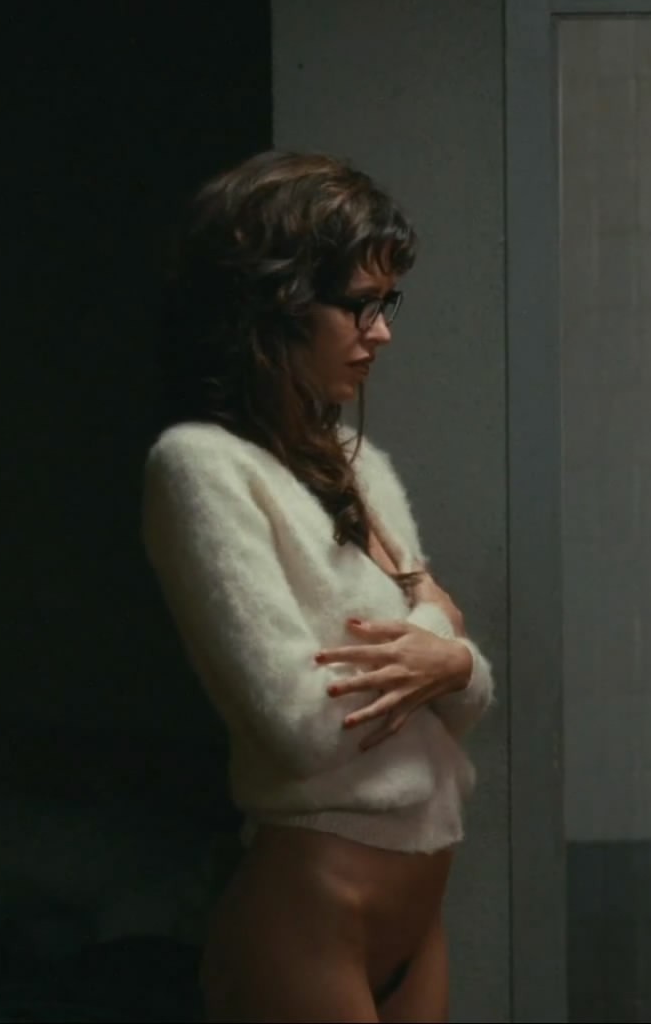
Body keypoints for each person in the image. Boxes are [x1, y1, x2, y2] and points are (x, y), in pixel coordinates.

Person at [140, 150, 493, 1023]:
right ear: (276, 305)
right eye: (360, 304)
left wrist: (448, 661)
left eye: (388, 304)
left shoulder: (356, 464)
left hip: (417, 918)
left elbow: (463, 698)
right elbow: (300, 724)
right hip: (311, 911)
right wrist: (437, 633)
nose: (382, 333)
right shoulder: (201, 467)